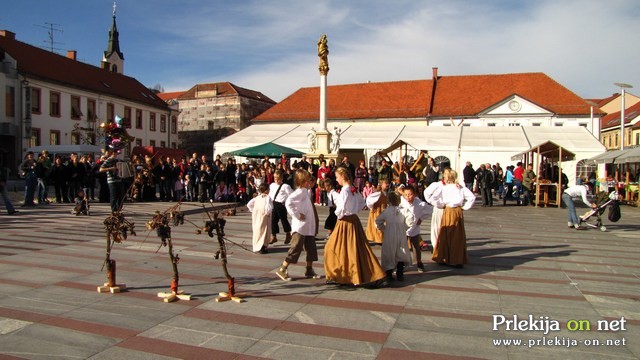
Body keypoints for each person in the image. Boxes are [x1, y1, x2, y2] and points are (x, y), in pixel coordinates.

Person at [324, 167, 387, 287]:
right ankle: (350, 275)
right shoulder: (353, 189)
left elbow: (341, 208)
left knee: (332, 248)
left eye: (337, 177)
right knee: (354, 249)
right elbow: (361, 203)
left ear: (343, 176)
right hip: (353, 220)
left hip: (345, 222)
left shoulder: (345, 190)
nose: (337, 180)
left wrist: (339, 215)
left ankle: (338, 275)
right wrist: (353, 211)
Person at [275, 169, 321, 281]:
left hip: (308, 226)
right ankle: (283, 268)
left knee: (311, 248)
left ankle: (309, 269)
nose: (310, 183)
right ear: (301, 182)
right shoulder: (300, 191)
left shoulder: (306, 191)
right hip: (300, 226)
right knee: (296, 247)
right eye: (307, 181)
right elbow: (288, 202)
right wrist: (296, 214)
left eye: (310, 180)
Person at [431, 170, 475, 268]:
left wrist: (441, 205)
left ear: (446, 177)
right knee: (457, 235)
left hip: (447, 210)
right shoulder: (460, 188)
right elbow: (472, 197)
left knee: (445, 233)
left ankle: (443, 256)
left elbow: (434, 198)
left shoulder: (444, 188)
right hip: (457, 211)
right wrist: (464, 207)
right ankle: (457, 259)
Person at [375, 191, 413, 282]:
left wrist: (384, 228)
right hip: (401, 233)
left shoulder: (386, 211)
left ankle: (389, 273)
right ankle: (400, 273)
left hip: (389, 234)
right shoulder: (403, 210)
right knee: (401, 251)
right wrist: (404, 227)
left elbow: (378, 221)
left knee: (389, 251)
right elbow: (410, 219)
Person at [400, 185, 432, 272]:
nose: (408, 197)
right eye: (406, 195)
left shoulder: (419, 203)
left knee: (416, 246)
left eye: (410, 194)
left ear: (414, 194)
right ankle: (401, 263)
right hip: (404, 228)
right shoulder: (401, 203)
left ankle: (419, 262)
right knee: (402, 246)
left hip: (414, 228)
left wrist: (421, 219)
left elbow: (429, 210)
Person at [423, 170, 447, 251]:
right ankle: (436, 246)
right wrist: (433, 202)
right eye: (446, 173)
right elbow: (426, 193)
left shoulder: (455, 186)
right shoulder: (438, 185)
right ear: (443, 175)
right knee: (436, 227)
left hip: (450, 209)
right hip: (439, 208)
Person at [247, 183, 272, 254]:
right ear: (266, 190)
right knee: (264, 231)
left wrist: (254, 211)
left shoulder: (257, 197)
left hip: (257, 215)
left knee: (257, 231)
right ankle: (262, 247)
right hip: (264, 216)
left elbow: (249, 204)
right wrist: (267, 213)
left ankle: (257, 246)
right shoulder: (268, 197)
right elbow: (269, 208)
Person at [269, 169, 293, 245]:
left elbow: (291, 195)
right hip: (274, 204)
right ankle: (274, 236)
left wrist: (286, 202)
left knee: (283, 220)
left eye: (278, 179)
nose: (276, 180)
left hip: (281, 205)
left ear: (281, 179)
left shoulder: (285, 186)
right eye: (275, 178)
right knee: (273, 221)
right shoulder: (272, 185)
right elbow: (270, 194)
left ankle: (288, 234)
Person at [365, 179, 389, 244]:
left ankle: (381, 238)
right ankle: (377, 238)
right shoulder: (378, 193)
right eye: (386, 183)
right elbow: (368, 199)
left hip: (383, 211)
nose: (387, 185)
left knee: (381, 224)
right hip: (377, 211)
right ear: (381, 185)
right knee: (376, 225)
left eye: (388, 183)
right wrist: (372, 207)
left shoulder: (386, 194)